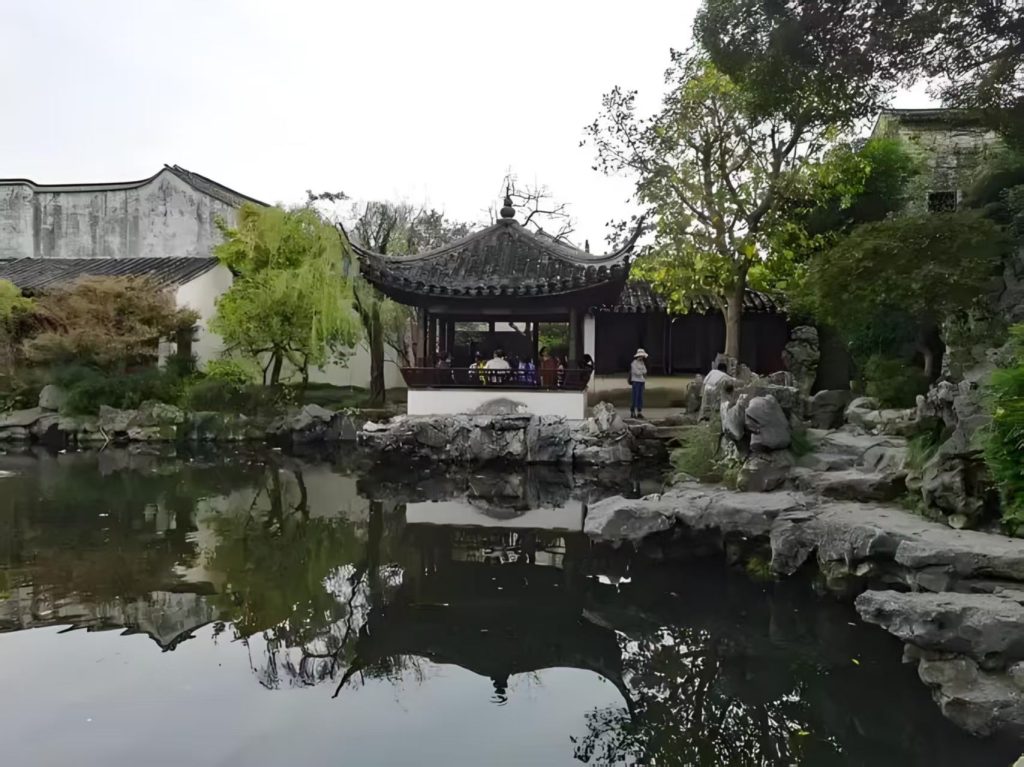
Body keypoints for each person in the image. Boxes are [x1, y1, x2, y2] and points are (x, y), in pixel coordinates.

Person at [628, 348, 648, 419]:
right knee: (635, 397)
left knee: (640, 397)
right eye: (641, 356)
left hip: (641, 381)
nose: (642, 357)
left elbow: (645, 371)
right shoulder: (634, 363)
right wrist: (641, 371)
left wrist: (641, 371)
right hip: (636, 382)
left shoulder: (642, 363)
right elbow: (636, 372)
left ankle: (639, 412)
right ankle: (632, 411)